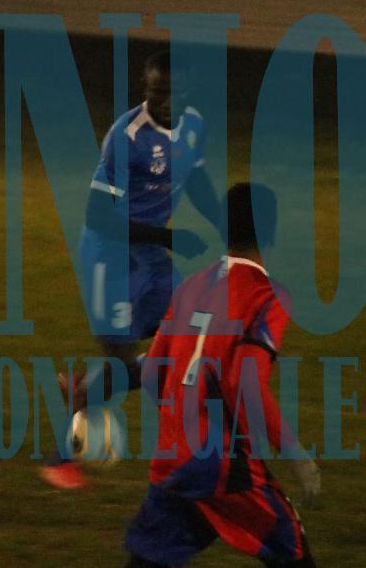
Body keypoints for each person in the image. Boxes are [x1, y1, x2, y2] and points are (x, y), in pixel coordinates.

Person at [41, 50, 221, 490]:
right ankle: (60, 455)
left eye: (173, 93)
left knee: (187, 339)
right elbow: (98, 214)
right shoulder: (127, 137)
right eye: (156, 92)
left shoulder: (194, 126)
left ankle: (94, 395)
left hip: (151, 255)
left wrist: (224, 224)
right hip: (109, 257)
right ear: (147, 88)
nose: (164, 102)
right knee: (121, 365)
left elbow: (194, 177)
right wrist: (169, 238)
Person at [123, 182, 320, 568]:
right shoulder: (268, 296)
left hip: (175, 459)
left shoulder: (190, 287)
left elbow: (153, 372)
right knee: (293, 552)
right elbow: (244, 383)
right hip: (224, 467)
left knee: (147, 561)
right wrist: (295, 454)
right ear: (271, 232)